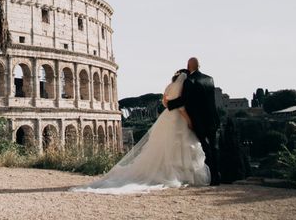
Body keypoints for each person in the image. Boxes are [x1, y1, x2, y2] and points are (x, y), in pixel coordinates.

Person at [71, 68, 210, 194]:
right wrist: (189, 120)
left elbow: (165, 102)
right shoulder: (184, 87)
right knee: (181, 144)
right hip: (179, 117)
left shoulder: (169, 86)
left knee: (163, 146)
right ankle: (181, 175)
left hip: (167, 116)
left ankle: (168, 172)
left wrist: (170, 107)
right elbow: (181, 107)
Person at [167, 57, 221, 185]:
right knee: (214, 147)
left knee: (204, 147)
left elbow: (184, 100)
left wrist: (169, 104)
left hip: (199, 120)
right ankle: (216, 176)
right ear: (199, 65)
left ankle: (211, 177)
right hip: (213, 118)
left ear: (188, 66)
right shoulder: (210, 79)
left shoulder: (189, 81)